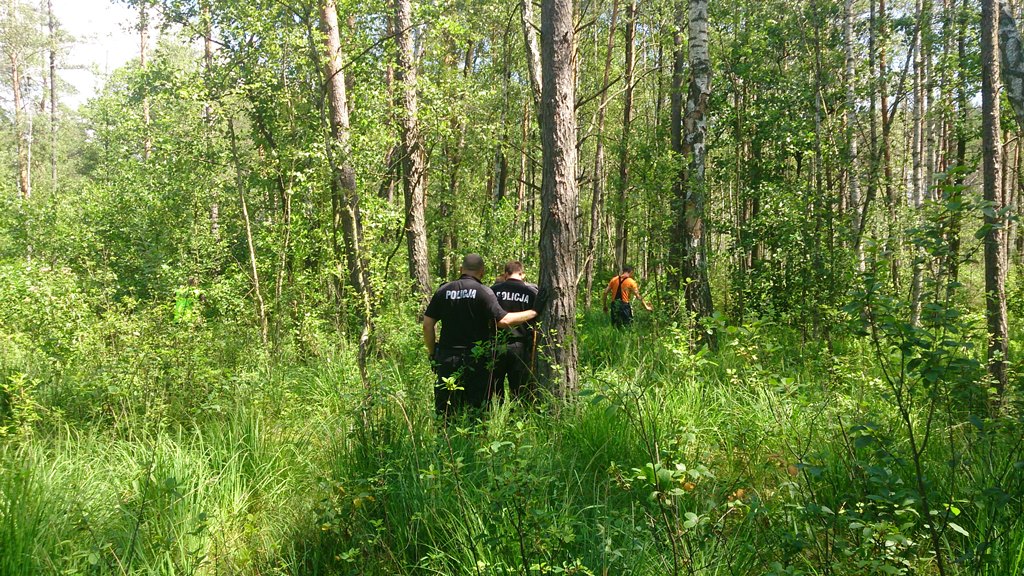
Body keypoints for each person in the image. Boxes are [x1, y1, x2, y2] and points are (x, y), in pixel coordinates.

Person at [423, 254, 538, 414]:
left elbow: (427, 325)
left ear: (461, 269)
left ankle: (446, 438)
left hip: (447, 358)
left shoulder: (444, 290)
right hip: (476, 359)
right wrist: (533, 312)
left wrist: (432, 353)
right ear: (482, 272)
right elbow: (503, 321)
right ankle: (476, 437)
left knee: (446, 408)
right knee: (477, 410)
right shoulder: (484, 292)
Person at [490, 261, 539, 402]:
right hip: (521, 346)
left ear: (506, 274)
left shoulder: (493, 291)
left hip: (496, 344)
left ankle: (496, 413)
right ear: (523, 274)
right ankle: (516, 417)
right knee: (519, 389)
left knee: (495, 386)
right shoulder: (531, 292)